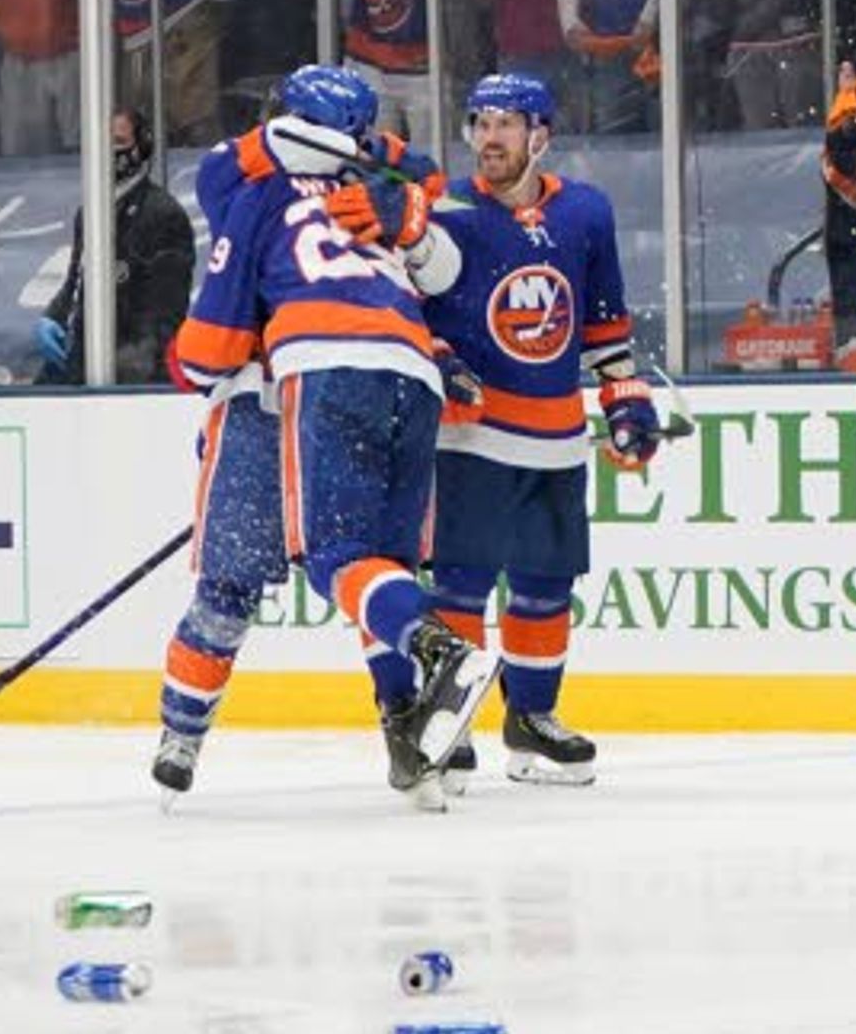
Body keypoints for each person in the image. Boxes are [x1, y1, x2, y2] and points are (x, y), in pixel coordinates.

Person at [164, 63, 484, 805]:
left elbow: (208, 345)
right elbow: (437, 222)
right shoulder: (362, 186)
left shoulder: (255, 194)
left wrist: (196, 360)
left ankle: (430, 656)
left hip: (304, 383)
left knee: (318, 564)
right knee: (376, 567)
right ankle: (407, 734)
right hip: (391, 378)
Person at [422, 71, 651, 786]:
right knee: (460, 585)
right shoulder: (446, 209)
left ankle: (531, 720)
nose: (489, 137)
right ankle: (448, 723)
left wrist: (625, 399)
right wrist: (436, 359)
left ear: (540, 137)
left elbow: (605, 321)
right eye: (480, 122)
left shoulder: (586, 212)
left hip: (555, 435)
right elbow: (408, 309)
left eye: (506, 124)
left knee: (547, 583)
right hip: (473, 435)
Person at [39, 110, 196, 384]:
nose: (109, 152)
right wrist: (54, 316)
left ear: (142, 147)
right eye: (101, 143)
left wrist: (124, 362)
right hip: (85, 362)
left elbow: (166, 314)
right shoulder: (89, 212)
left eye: (118, 142)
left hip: (139, 375)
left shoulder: (163, 214)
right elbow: (76, 282)